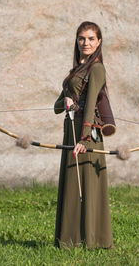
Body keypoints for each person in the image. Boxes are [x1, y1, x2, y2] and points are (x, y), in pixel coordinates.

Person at [53, 21, 113, 249]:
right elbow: (57, 108)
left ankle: (93, 240)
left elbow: (89, 108)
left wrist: (84, 139)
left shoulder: (96, 68)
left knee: (87, 186)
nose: (85, 43)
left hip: (85, 135)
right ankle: (69, 240)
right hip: (71, 131)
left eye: (90, 39)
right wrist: (66, 101)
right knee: (71, 184)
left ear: (98, 42)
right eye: (81, 38)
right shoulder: (75, 71)